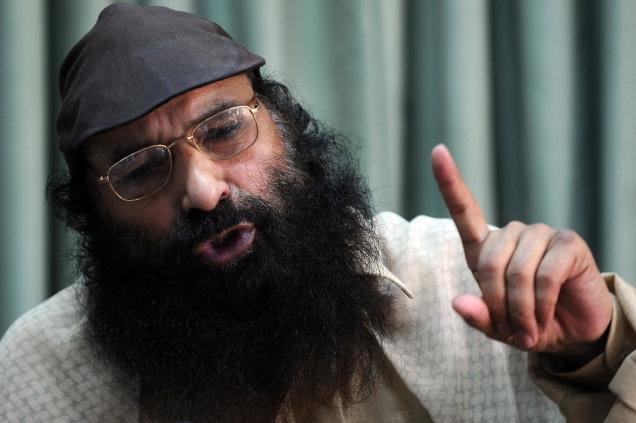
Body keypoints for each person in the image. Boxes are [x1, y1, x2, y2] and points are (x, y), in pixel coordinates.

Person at [1, 3, 634, 422]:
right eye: (140, 170)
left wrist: (598, 349)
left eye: (224, 130)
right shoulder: (36, 378)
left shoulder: (461, 282)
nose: (203, 191)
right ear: (94, 216)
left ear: (286, 129)